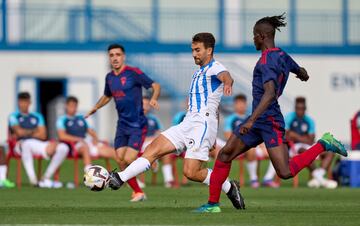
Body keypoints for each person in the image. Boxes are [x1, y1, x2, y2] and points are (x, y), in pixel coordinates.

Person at [196, 14, 347, 213]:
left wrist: (252, 119)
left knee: (285, 172)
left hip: (269, 120)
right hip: (259, 120)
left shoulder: (266, 61)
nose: (253, 40)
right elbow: (301, 71)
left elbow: (269, 94)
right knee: (225, 155)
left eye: (254, 36)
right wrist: (302, 74)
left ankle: (323, 144)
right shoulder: (282, 55)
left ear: (262, 36)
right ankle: (213, 204)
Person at [107, 32, 245, 210]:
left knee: (191, 172)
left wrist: (228, 83)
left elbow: (227, 75)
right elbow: (215, 106)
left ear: (209, 50)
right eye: (192, 50)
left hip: (201, 125)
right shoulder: (199, 72)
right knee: (153, 149)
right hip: (188, 122)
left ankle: (228, 187)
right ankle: (120, 178)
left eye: (198, 50)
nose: (194, 54)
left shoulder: (215, 67)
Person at [85, 44, 161, 202]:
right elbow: (107, 96)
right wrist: (96, 107)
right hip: (122, 125)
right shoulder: (110, 77)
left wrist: (153, 98)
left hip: (138, 124)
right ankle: (138, 192)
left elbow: (155, 85)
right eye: (111, 55)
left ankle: (150, 159)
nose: (115, 58)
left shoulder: (133, 73)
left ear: (123, 56)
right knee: (120, 159)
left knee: (128, 159)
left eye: (117, 54)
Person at [8, 92, 69, 188]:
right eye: (21, 102)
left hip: (37, 143)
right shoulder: (14, 116)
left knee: (63, 147)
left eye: (26, 102)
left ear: (30, 102)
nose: (24, 104)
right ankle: (33, 179)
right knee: (27, 144)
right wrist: (34, 131)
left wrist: (26, 132)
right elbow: (19, 133)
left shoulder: (37, 116)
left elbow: (43, 135)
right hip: (19, 144)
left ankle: (46, 177)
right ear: (18, 103)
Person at [224, 94, 278, 188]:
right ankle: (254, 179)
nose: (241, 106)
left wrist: (262, 145)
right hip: (238, 148)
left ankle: (267, 179)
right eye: (238, 103)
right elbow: (228, 136)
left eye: (243, 103)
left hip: (253, 146)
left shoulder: (251, 118)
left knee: (275, 152)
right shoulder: (230, 119)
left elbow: (258, 135)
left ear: (246, 104)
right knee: (250, 149)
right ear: (235, 105)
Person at [285, 97, 337, 188]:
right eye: (297, 108)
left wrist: (295, 135)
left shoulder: (309, 120)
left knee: (330, 152)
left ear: (305, 109)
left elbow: (310, 140)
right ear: (295, 108)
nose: (299, 111)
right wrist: (302, 138)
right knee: (303, 150)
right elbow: (286, 136)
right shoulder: (289, 118)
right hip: (294, 147)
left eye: (301, 109)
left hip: (307, 145)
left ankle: (318, 178)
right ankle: (321, 180)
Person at [56, 96, 116, 171]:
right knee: (84, 147)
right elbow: (62, 136)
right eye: (71, 106)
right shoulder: (62, 119)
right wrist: (78, 139)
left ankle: (124, 175)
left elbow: (91, 131)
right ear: (66, 106)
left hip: (86, 142)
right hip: (74, 146)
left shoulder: (80, 118)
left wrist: (95, 139)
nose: (73, 108)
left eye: (75, 106)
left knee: (112, 151)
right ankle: (89, 171)